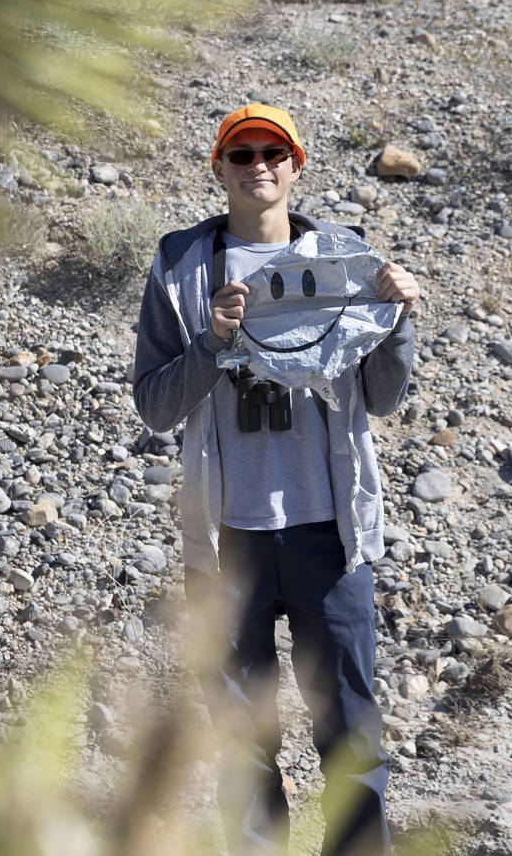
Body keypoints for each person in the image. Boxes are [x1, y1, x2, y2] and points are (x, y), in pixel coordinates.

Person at [131, 104, 419, 855]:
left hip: (330, 530)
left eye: (273, 153)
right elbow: (156, 406)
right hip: (227, 543)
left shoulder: (345, 257)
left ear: (298, 166)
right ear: (218, 168)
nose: (258, 166)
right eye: (241, 154)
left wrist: (400, 318)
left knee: (351, 732)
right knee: (240, 742)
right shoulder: (180, 266)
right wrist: (212, 338)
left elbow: (383, 397)